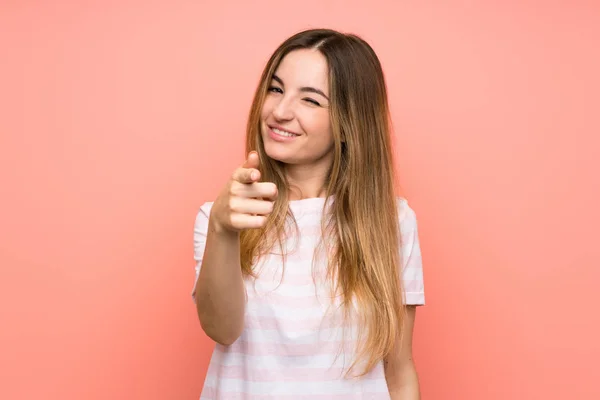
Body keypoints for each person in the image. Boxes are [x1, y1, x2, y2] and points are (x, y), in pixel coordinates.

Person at [191, 28, 425, 399]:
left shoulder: (392, 224)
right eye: (276, 88)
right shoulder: (222, 217)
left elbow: (398, 372)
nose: (279, 112)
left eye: (311, 101)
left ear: (350, 123)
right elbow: (222, 329)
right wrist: (223, 229)